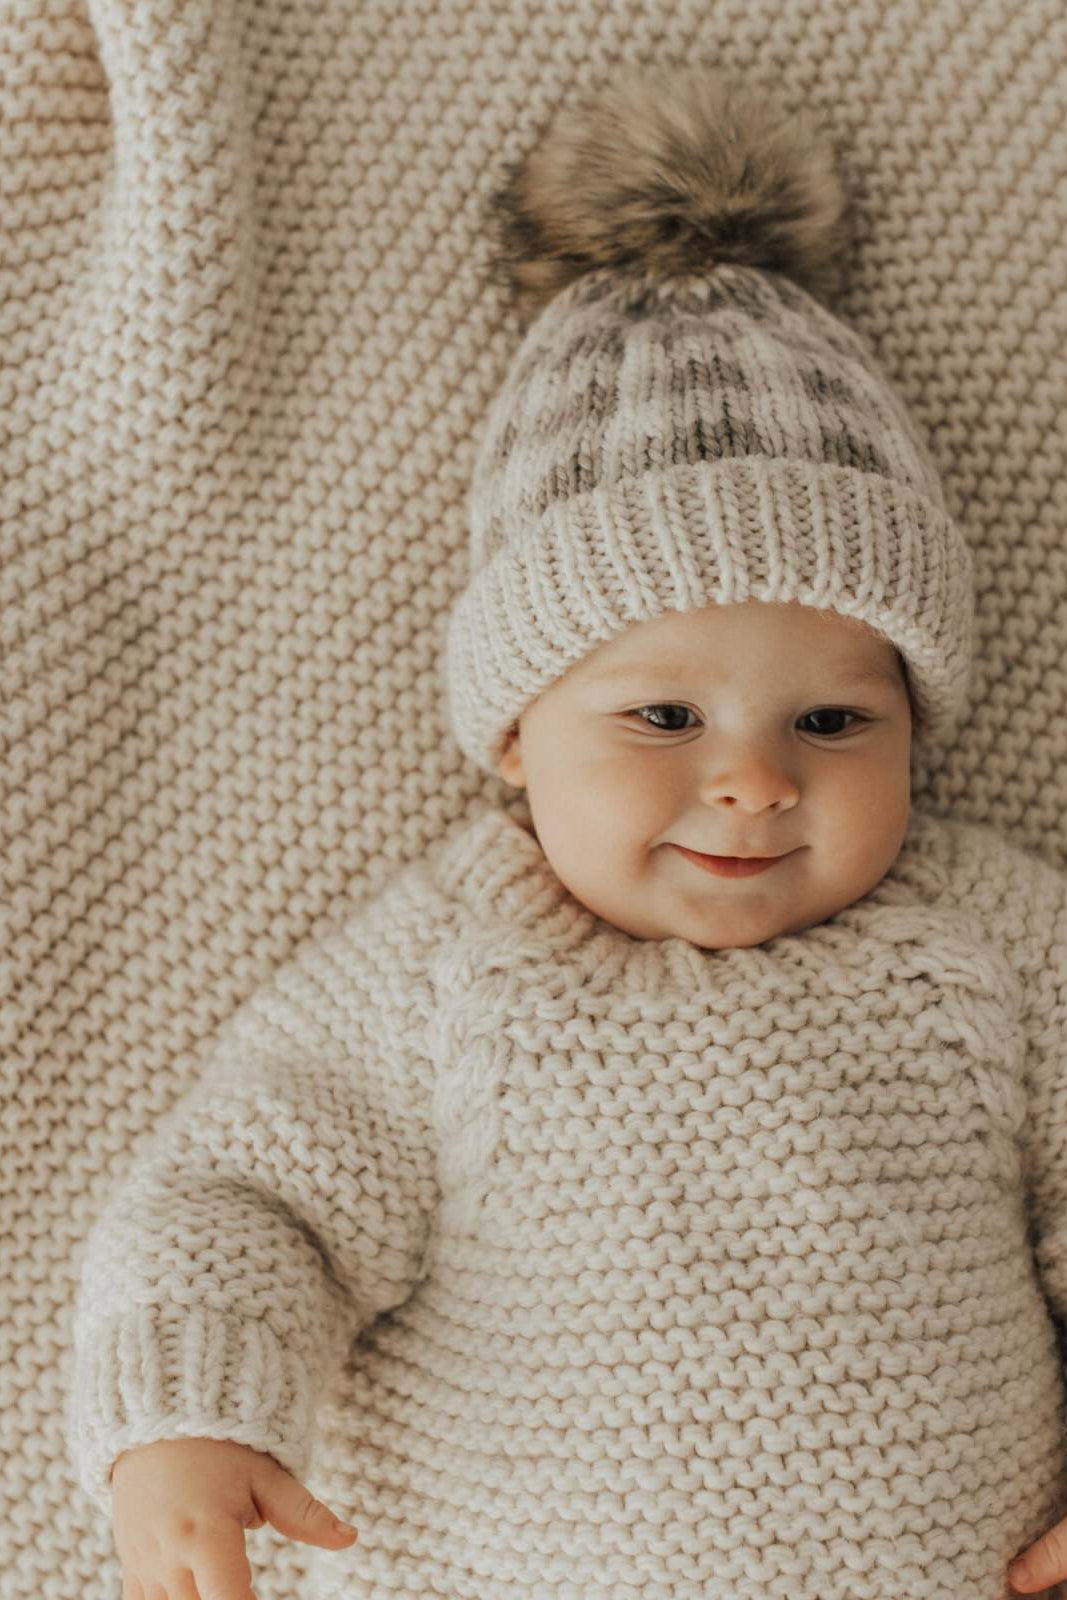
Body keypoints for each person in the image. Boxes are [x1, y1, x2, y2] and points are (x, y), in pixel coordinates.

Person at [67, 63, 1067, 1600]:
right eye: (664, 717)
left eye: (832, 721)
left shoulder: (995, 939)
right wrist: (185, 1419)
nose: (754, 781)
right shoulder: (447, 964)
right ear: (517, 737)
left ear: (919, 728)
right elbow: (253, 1195)